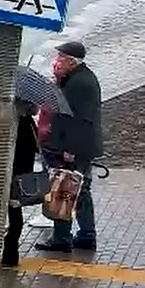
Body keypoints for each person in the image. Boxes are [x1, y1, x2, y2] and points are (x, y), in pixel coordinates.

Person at [35, 41, 102, 252]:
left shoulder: (79, 84)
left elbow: (78, 120)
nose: (57, 62)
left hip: (72, 148)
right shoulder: (76, 79)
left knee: (64, 188)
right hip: (78, 146)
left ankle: (62, 238)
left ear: (72, 62)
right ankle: (86, 235)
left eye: (61, 58)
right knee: (79, 189)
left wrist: (70, 149)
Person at [4, 100, 40, 267]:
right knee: (14, 209)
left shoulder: (14, 124)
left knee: (12, 208)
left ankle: (9, 251)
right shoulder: (29, 124)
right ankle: (11, 252)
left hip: (12, 172)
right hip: (22, 172)